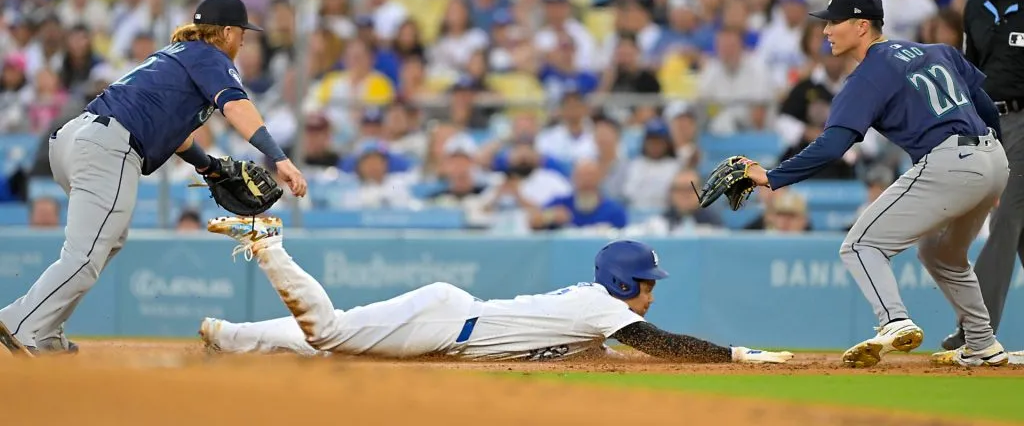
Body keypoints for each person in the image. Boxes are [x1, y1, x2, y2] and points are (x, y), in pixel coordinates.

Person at [0, 0, 308, 357]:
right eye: (242, 32)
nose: (244, 40)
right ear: (225, 32)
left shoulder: (177, 52)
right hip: (108, 147)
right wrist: (279, 158)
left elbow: (174, 133)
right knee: (85, 254)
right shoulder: (211, 55)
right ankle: (23, 322)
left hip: (74, 139)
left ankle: (45, 328)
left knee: (104, 243)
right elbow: (237, 105)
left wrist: (207, 165)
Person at [734, 0, 1011, 368]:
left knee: (860, 246)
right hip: (992, 157)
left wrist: (771, 177)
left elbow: (833, 147)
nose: (826, 31)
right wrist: (994, 171)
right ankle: (982, 343)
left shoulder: (868, 76)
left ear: (862, 26)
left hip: (950, 160)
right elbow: (986, 108)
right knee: (941, 253)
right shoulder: (935, 51)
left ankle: (894, 321)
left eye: (834, 22)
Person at [197, 216, 793, 364]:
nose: (651, 294)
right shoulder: (601, 306)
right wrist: (737, 355)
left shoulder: (595, 313)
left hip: (449, 323)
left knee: (336, 340)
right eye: (647, 285)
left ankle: (228, 337)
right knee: (329, 331)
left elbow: (604, 350)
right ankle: (269, 243)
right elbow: (661, 345)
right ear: (621, 283)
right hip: (448, 326)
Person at [941, 0, 1024, 355]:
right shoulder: (975, 6)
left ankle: (977, 330)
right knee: (1019, 229)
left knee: (1005, 218)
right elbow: (968, 71)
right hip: (987, 121)